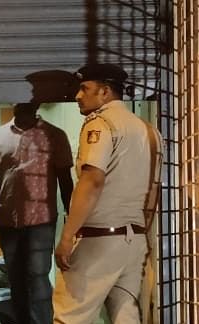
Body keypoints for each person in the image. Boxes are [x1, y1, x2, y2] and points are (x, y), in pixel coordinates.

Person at [53, 63, 163, 323]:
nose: (78, 96)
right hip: (135, 240)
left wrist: (67, 237)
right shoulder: (149, 131)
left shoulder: (100, 124)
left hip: (98, 239)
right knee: (127, 316)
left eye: (84, 88)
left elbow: (92, 181)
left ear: (104, 92)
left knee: (70, 316)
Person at [0, 102, 74, 324]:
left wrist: (72, 218)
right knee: (16, 280)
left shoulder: (54, 136)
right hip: (7, 221)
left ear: (36, 103)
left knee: (37, 278)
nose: (22, 104)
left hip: (41, 221)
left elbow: (65, 181)